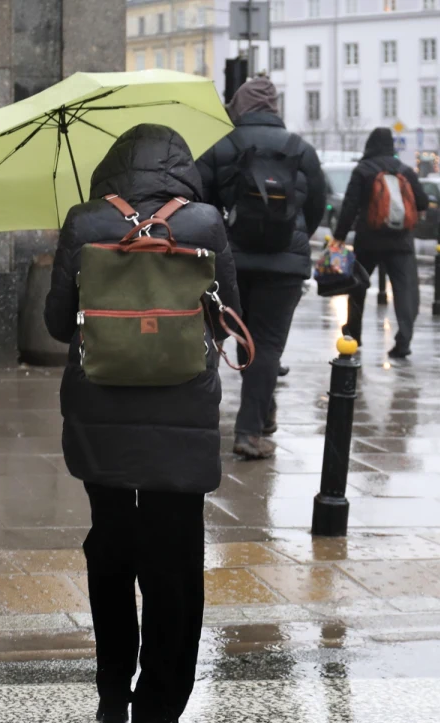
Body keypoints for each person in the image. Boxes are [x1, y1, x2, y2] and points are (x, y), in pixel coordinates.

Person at [44, 123, 241, 723]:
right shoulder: (207, 224)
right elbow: (230, 318)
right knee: (174, 566)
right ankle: (157, 720)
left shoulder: (84, 219)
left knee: (112, 547)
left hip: (101, 413)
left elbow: (53, 323)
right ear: (181, 168)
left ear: (112, 167)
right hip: (181, 416)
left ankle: (111, 694)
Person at [197, 77, 326, 459]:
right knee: (266, 346)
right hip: (283, 266)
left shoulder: (220, 145)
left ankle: (201, 421)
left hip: (229, 260)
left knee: (217, 337)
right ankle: (250, 431)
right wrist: (292, 236)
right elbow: (317, 204)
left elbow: (200, 202)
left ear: (237, 106)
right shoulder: (300, 149)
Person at [332, 127, 429, 360]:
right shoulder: (404, 170)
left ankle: (353, 335)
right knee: (405, 292)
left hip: (369, 239)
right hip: (401, 242)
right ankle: (403, 342)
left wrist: (339, 237)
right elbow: (423, 201)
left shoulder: (363, 170)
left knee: (358, 287)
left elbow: (349, 206)